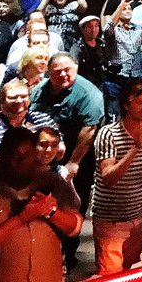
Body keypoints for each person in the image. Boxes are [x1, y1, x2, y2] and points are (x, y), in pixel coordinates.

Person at [0, 127, 83, 282]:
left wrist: (51, 212)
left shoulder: (53, 183)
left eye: (26, 154)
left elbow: (75, 227)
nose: (21, 160)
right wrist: (21, 219)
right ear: (2, 157)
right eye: (15, 155)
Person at [29, 52, 104, 269]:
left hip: (77, 155)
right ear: (48, 72)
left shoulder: (88, 93)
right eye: (57, 71)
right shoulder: (40, 91)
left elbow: (88, 131)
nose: (63, 74)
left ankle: (68, 255)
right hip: (43, 156)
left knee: (72, 203)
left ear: (76, 69)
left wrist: (72, 163)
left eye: (67, 69)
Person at [91, 79, 142, 274]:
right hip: (110, 219)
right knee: (110, 277)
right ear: (127, 104)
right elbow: (108, 178)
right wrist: (135, 149)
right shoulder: (108, 134)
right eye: (141, 103)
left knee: (128, 271)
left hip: (136, 215)